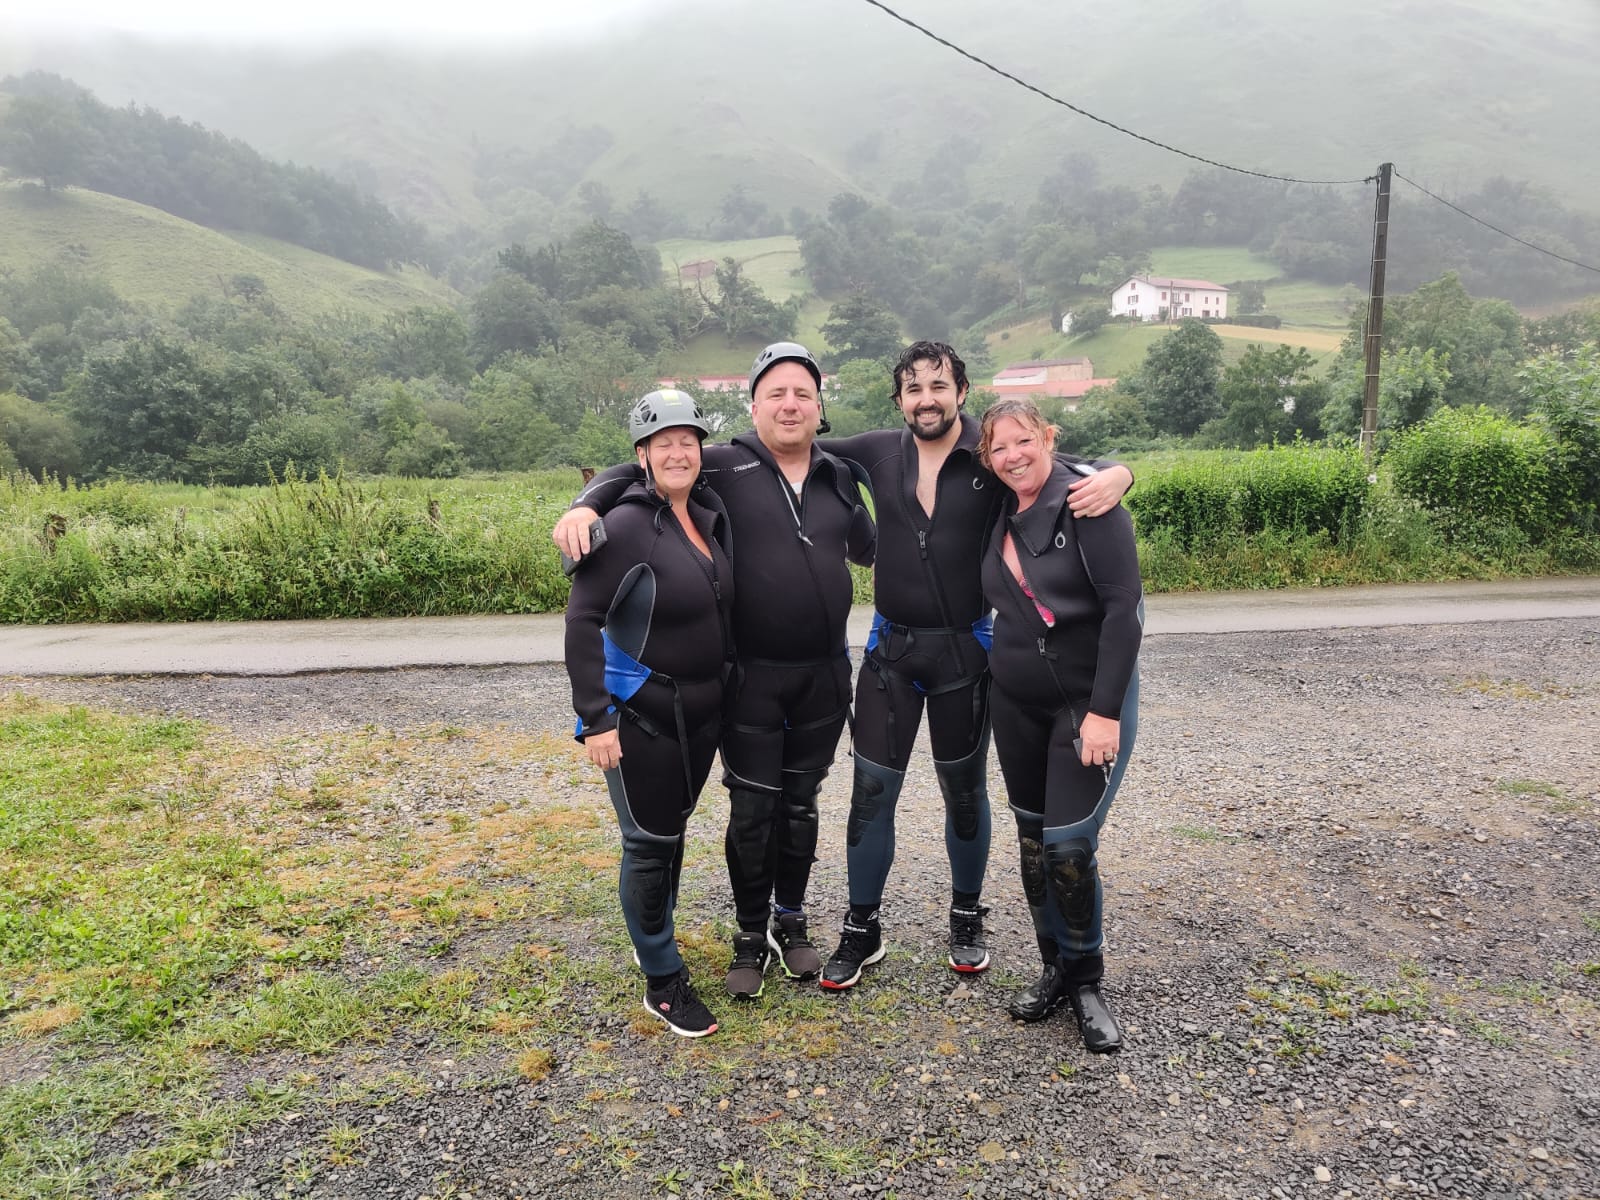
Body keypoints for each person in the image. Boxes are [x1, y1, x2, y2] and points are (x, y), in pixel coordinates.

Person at [554, 343, 875, 1001]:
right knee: (753, 810)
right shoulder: (722, 465)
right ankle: (750, 934)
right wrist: (585, 504)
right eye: (776, 393)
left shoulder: (840, 476)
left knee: (801, 806)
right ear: (753, 407)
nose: (790, 405)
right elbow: (642, 465)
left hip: (823, 676)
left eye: (803, 394)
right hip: (751, 678)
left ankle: (790, 919)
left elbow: (877, 547)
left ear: (819, 406)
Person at [814, 342, 1133, 991]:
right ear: (899, 399)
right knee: (871, 791)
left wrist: (1122, 473)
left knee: (965, 793)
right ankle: (861, 926)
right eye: (913, 388)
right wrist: (614, 483)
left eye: (939, 385)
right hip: (891, 653)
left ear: (962, 392)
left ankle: (966, 916)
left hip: (966, 651)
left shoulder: (989, 454)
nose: (926, 398)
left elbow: (1067, 469)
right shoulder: (877, 451)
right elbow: (784, 450)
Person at [563, 388, 735, 1038]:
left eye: (688, 441)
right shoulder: (627, 525)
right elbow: (582, 620)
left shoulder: (704, 513)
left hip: (699, 716)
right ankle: (662, 983)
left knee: (670, 832)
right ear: (642, 455)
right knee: (648, 842)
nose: (678, 453)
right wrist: (596, 718)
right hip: (641, 717)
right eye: (664, 444)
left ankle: (651, 937)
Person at [977, 395, 1142, 1053]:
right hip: (1015, 703)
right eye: (998, 447)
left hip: (1084, 704)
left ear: (1048, 437)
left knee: (1069, 847)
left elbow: (1124, 612)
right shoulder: (997, 507)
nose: (1013, 456)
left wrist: (1105, 712)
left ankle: (1086, 982)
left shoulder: (1090, 502)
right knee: (1031, 844)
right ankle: (1053, 967)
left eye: (1024, 440)